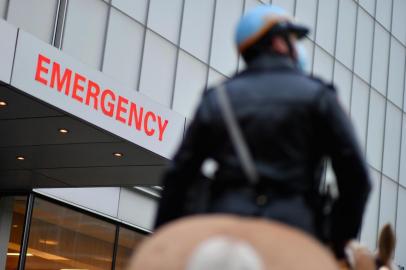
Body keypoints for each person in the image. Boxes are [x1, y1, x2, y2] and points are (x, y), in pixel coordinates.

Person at [154, 5, 371, 259]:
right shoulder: (320, 96)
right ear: (278, 42)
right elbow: (356, 178)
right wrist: (337, 242)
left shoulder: (218, 97)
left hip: (224, 226)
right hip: (296, 230)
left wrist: (163, 241)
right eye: (292, 39)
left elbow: (179, 175)